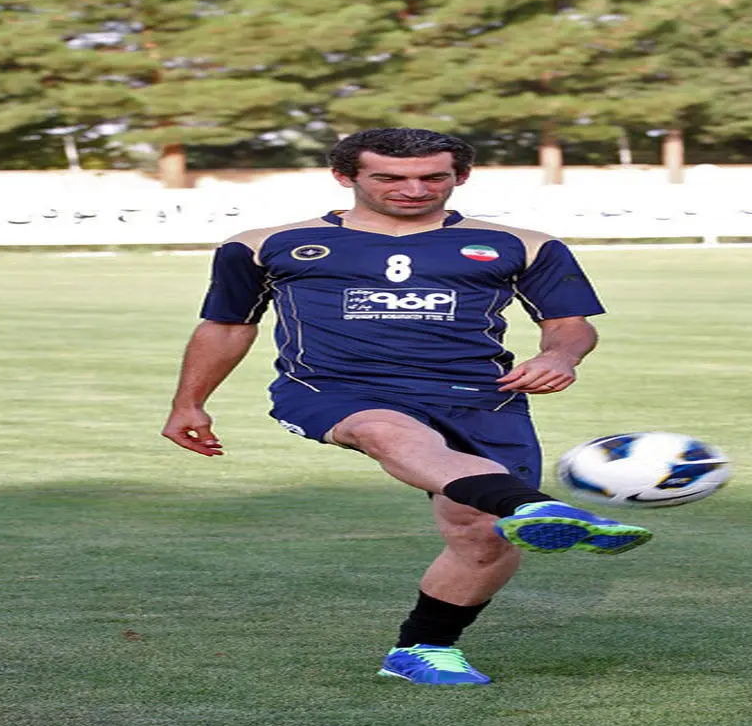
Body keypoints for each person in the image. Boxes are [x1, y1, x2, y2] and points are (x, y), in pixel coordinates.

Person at [162, 127, 652, 686]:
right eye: (390, 177)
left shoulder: (525, 245)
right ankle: (532, 506)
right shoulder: (262, 245)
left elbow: (569, 325)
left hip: (482, 397)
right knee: (388, 433)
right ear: (344, 176)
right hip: (333, 389)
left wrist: (561, 357)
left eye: (433, 177)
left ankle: (423, 650)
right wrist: (189, 403)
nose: (414, 189)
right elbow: (227, 326)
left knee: (482, 534)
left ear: (460, 176)